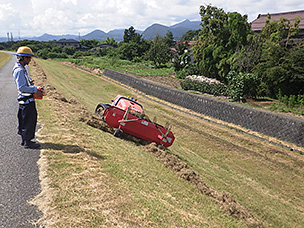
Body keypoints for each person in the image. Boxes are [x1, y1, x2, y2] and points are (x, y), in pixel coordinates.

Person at [12, 46, 44, 149]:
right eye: (28, 58)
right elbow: (22, 87)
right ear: (23, 58)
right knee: (29, 120)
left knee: (25, 120)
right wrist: (35, 89)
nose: (30, 60)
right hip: (26, 101)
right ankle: (27, 142)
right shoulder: (20, 71)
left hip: (25, 100)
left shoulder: (21, 69)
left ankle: (25, 140)